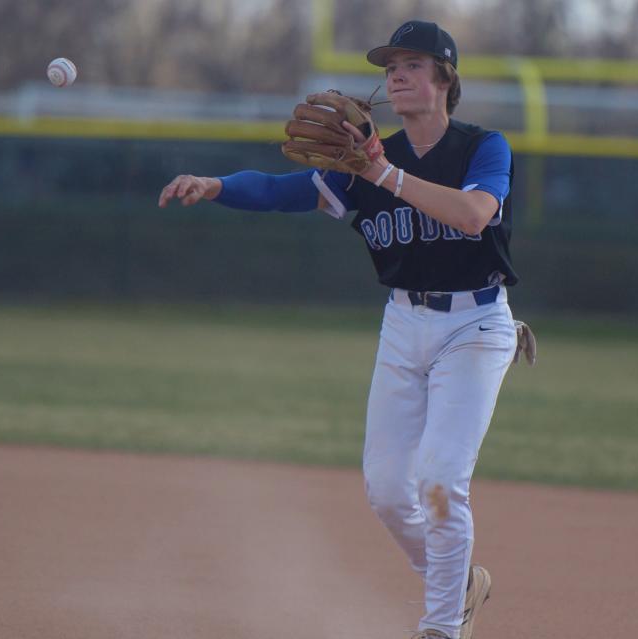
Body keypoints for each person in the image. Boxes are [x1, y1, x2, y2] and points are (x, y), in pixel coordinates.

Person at [159, 20, 520, 639]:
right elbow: (282, 190)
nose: (396, 76)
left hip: (477, 325)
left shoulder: (482, 148)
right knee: (385, 492)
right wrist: (216, 186)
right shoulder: (363, 162)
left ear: (444, 78)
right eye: (390, 67)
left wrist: (382, 175)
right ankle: (457, 582)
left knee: (439, 477)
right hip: (404, 323)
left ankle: (440, 628)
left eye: (411, 64)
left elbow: (472, 216)